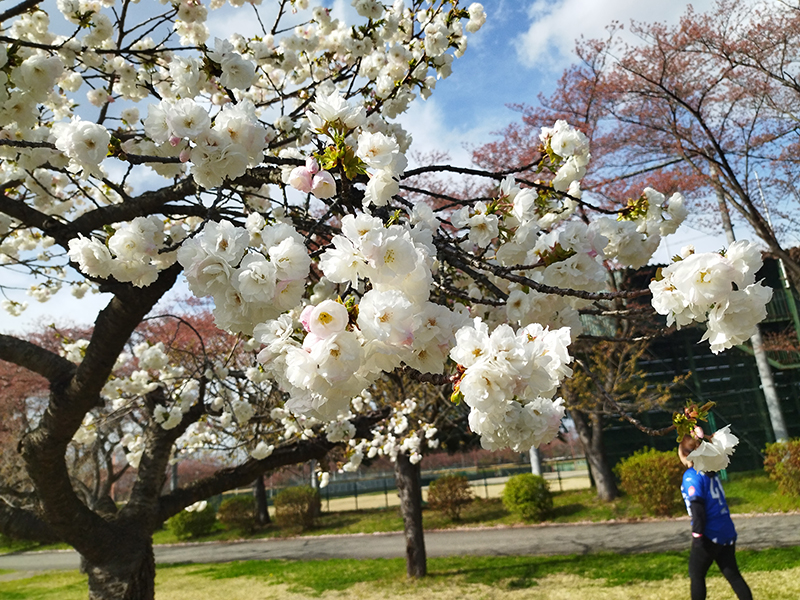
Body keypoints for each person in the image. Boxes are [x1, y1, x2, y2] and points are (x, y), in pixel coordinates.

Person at [678, 435, 753, 600]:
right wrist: (698, 436)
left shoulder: (692, 476)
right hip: (726, 529)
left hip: (710, 532)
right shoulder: (710, 471)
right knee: (732, 573)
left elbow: (697, 508)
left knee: (696, 573)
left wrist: (697, 535)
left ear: (685, 454)